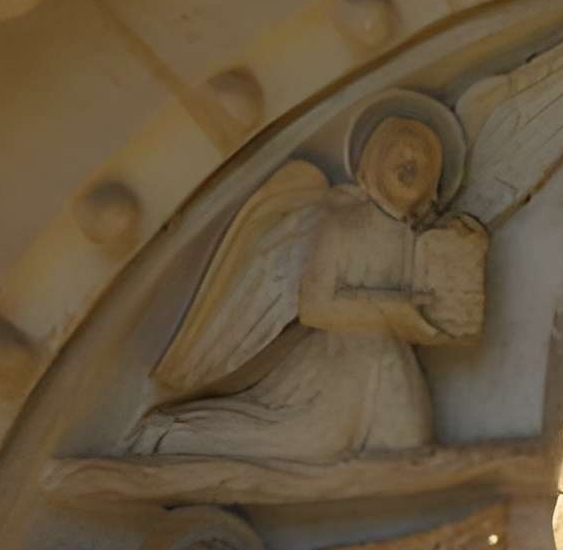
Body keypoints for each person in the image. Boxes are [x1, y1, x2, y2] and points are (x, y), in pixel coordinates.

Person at [133, 112, 485, 461]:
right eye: (402, 152)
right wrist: (393, 311)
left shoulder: (423, 241)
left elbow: (447, 315)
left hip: (390, 359)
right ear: (375, 162)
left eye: (424, 161)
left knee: (407, 445)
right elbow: (315, 306)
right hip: (341, 362)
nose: (412, 163)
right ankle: (175, 435)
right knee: (309, 441)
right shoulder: (343, 223)